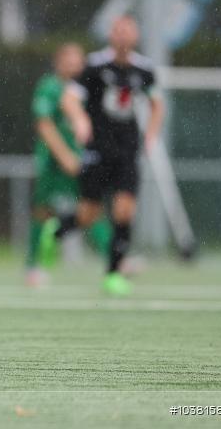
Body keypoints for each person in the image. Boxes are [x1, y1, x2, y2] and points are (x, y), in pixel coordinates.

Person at [61, 16, 164, 295]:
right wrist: (80, 120)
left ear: (136, 35)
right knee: (88, 214)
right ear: (110, 34)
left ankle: (113, 273)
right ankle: (57, 230)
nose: (122, 35)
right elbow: (69, 99)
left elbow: (157, 104)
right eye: (118, 30)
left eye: (128, 30)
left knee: (124, 211)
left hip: (127, 151)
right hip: (97, 149)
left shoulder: (143, 69)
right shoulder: (94, 66)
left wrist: (151, 135)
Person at [26, 43, 112, 287]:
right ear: (58, 62)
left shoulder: (86, 88)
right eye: (70, 60)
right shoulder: (49, 87)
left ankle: (116, 259)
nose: (75, 65)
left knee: (91, 207)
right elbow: (44, 124)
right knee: (43, 211)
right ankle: (33, 266)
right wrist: (64, 156)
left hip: (81, 158)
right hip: (52, 161)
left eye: (79, 60)